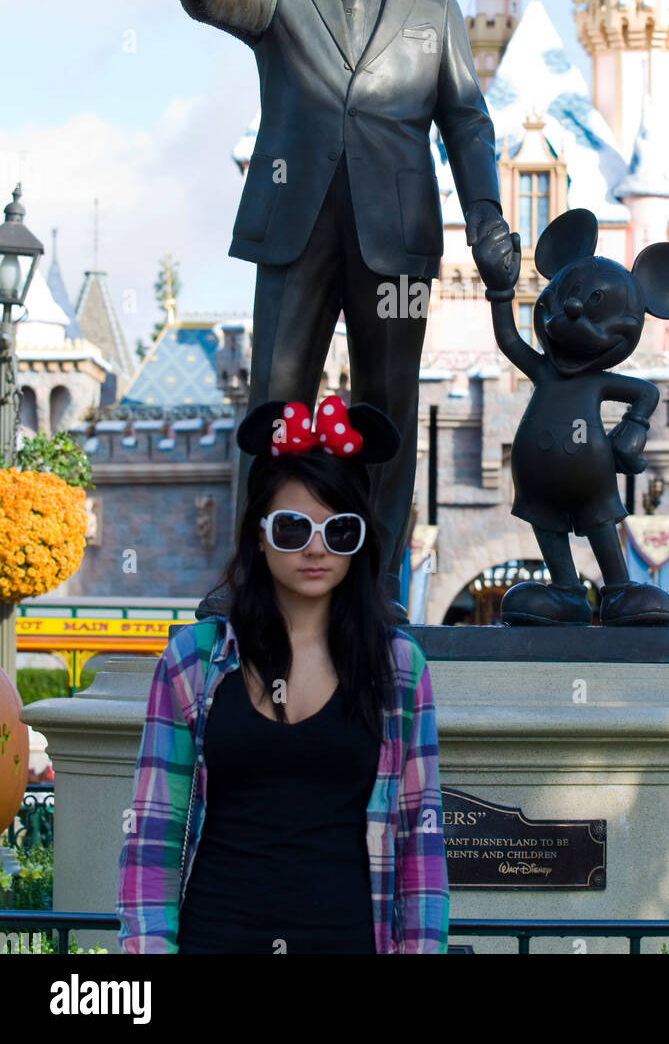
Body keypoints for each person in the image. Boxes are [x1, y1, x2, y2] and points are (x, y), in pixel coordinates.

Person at [158, 0, 518, 603]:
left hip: (398, 239)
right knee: (274, 403)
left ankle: (379, 582)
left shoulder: (436, 10)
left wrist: (485, 218)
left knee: (387, 407)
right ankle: (256, 574)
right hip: (295, 226)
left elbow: (467, 123)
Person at [116, 395, 449, 954]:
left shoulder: (397, 667)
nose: (316, 549)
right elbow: (153, 830)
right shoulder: (194, 660)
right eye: (293, 528)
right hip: (215, 940)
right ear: (259, 534)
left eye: (339, 530)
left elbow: (421, 838)